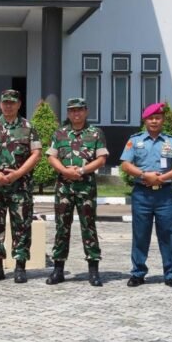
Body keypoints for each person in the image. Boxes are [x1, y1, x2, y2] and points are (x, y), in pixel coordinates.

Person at [0, 89, 42, 283]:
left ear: (19, 104)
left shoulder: (28, 127)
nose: (8, 106)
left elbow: (36, 154)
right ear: (0, 104)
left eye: (12, 102)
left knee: (21, 226)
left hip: (20, 185)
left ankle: (20, 267)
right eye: (5, 102)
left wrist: (17, 174)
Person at [119, 102, 172, 289]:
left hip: (165, 194)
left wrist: (162, 178)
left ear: (163, 119)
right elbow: (125, 164)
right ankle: (138, 273)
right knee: (140, 234)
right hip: (141, 194)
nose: (154, 121)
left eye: (158, 118)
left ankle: (171, 274)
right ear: (145, 120)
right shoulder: (135, 140)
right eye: (151, 118)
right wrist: (144, 175)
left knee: (168, 234)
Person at [45, 97, 108, 286]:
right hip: (64, 188)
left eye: (79, 110)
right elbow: (51, 157)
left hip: (86, 187)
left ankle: (93, 270)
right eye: (72, 110)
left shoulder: (95, 133)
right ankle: (58, 270)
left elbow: (101, 159)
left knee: (88, 227)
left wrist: (81, 170)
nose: (76, 113)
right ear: (68, 113)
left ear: (86, 111)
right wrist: (65, 171)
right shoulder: (60, 133)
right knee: (61, 227)